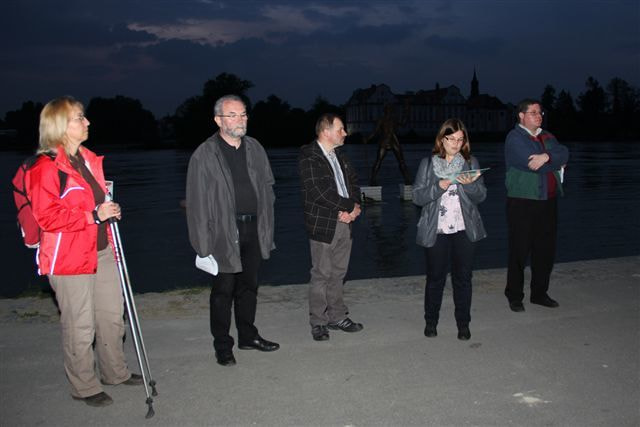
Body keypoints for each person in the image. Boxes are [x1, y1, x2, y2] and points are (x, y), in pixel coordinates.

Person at [28, 96, 142, 407]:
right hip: (68, 258)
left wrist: (108, 210)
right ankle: (84, 386)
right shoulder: (45, 167)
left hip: (101, 250)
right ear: (60, 125)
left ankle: (115, 372)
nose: (87, 122)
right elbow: (46, 217)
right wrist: (93, 216)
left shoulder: (88, 159)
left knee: (112, 316)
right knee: (80, 325)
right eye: (80, 118)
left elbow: (97, 202)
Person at [186, 94, 279, 367]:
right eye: (233, 115)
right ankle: (223, 346)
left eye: (243, 114)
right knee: (223, 290)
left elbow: (268, 186)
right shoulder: (204, 155)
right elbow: (196, 204)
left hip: (254, 227)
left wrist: (267, 225)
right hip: (222, 232)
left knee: (249, 286)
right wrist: (203, 245)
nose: (241, 120)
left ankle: (248, 336)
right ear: (218, 120)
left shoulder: (255, 148)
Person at [412, 118, 487, 340]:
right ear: (441, 139)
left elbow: (481, 196)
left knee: (463, 278)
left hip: (465, 228)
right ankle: (431, 321)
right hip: (436, 230)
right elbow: (417, 197)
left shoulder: (471, 162)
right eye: (451, 139)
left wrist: (469, 185)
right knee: (435, 278)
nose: (456, 144)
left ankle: (463, 324)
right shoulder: (428, 164)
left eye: (460, 139)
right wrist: (439, 186)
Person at [298, 113, 363, 341]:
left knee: (338, 273)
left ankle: (337, 316)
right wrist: (349, 206)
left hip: (345, 223)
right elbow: (320, 192)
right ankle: (318, 321)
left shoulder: (340, 155)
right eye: (340, 129)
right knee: (321, 274)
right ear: (326, 132)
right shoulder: (309, 157)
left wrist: (355, 207)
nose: (345, 133)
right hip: (323, 225)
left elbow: (353, 183)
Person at [504, 99, 569, 312]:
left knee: (545, 250)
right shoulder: (514, 138)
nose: (538, 116)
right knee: (519, 249)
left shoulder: (548, 136)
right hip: (522, 201)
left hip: (548, 201)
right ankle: (514, 295)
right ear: (521, 116)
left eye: (540, 112)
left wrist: (547, 156)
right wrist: (555, 161)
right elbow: (531, 163)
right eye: (533, 112)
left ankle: (539, 294)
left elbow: (565, 152)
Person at [366, 103, 412, 185]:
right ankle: (373, 179)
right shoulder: (382, 120)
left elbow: (403, 124)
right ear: (385, 111)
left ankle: (407, 179)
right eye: (388, 109)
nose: (390, 111)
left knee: (401, 161)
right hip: (384, 142)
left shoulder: (394, 119)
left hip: (393, 141)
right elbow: (375, 131)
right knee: (378, 161)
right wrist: (368, 138)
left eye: (391, 109)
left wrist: (406, 112)